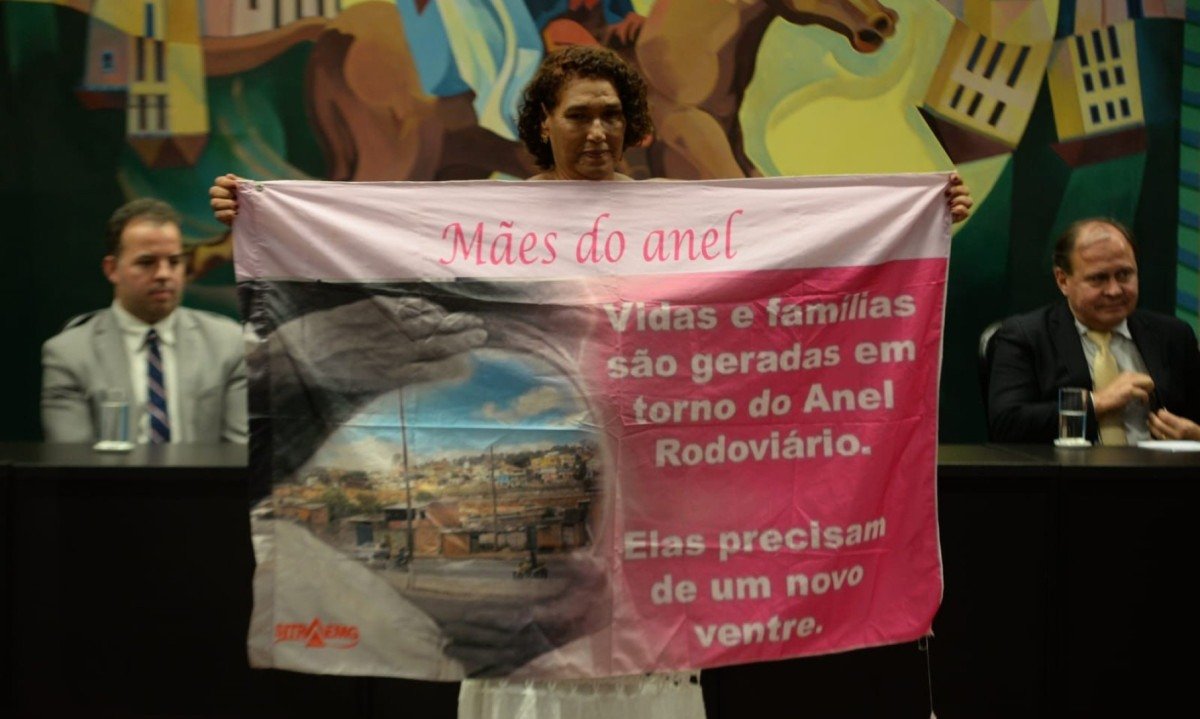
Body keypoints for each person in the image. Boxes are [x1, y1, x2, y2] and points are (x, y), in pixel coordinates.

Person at [211, 44, 973, 716]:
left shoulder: (681, 218)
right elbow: (367, 251)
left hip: (659, 488)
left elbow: (806, 259)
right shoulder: (488, 218)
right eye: (579, 115)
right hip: (531, 487)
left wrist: (923, 216)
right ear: (543, 122)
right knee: (540, 646)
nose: (599, 131)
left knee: (646, 639)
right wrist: (257, 216)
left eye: (612, 115)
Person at [42, 198, 247, 444]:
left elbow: (239, 452)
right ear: (112, 269)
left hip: (208, 471)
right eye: (146, 262)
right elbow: (71, 458)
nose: (163, 274)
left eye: (174, 261)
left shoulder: (227, 343)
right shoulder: (69, 353)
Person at [987, 218, 1200, 443]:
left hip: (1162, 465)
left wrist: (1196, 436)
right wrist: (1096, 402)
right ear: (1063, 280)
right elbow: (1006, 423)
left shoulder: (1173, 335)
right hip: (1072, 466)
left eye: (1124, 275)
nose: (1114, 290)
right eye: (1098, 278)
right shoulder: (1026, 336)